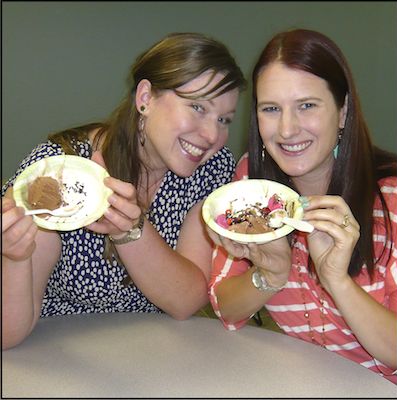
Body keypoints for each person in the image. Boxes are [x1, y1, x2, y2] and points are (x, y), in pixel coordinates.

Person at [1, 32, 246, 349]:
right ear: (145, 98)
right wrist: (15, 258)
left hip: (153, 351)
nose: (213, 134)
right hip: (55, 350)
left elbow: (185, 301)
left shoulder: (212, 170)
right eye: (197, 107)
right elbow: (7, 334)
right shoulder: (58, 172)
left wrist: (130, 231)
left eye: (224, 119)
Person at [208, 29, 397, 384]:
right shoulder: (252, 186)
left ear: (342, 112)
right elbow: (226, 309)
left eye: (307, 105)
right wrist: (271, 274)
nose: (287, 129)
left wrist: (337, 280)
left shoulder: (391, 199)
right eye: (271, 109)